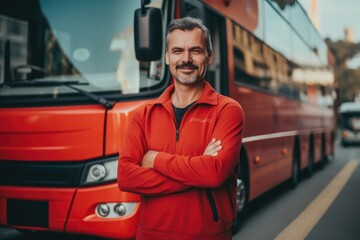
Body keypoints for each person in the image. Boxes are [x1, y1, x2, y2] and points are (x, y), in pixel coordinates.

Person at [118, 16, 244, 240]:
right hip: (151, 235)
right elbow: (126, 177)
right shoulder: (142, 115)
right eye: (177, 51)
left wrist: (155, 159)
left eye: (195, 50)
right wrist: (197, 171)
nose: (186, 59)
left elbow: (214, 174)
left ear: (209, 56)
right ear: (167, 57)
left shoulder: (227, 111)